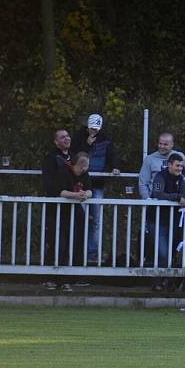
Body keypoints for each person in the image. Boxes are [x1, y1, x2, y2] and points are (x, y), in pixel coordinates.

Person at [71, 113, 120, 263]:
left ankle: (92, 253)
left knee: (96, 220)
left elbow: (112, 155)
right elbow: (75, 155)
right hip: (81, 184)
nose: (94, 131)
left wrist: (115, 167)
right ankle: (76, 252)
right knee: (79, 219)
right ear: (87, 126)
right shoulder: (79, 136)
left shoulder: (106, 138)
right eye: (92, 128)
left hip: (98, 184)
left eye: (96, 129)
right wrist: (87, 144)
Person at [150, 153, 185, 291]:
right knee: (162, 253)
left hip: (173, 222)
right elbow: (157, 194)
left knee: (172, 253)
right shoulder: (160, 176)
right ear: (169, 165)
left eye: (181, 166)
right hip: (157, 221)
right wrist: (176, 197)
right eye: (177, 165)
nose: (180, 168)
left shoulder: (181, 178)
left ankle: (165, 282)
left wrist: (180, 197)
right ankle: (157, 282)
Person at [41, 129, 72, 282]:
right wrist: (62, 193)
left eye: (67, 136)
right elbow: (48, 184)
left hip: (70, 208)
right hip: (55, 207)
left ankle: (64, 278)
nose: (66, 139)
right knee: (55, 242)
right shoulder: (51, 158)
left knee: (68, 243)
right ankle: (50, 277)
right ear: (56, 142)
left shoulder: (74, 157)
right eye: (62, 137)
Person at [139, 132, 185, 199]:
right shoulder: (149, 159)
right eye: (160, 144)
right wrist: (147, 199)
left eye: (165, 144)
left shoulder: (179, 156)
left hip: (176, 200)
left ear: (172, 144)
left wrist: (183, 183)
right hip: (155, 200)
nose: (162, 146)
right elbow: (143, 182)